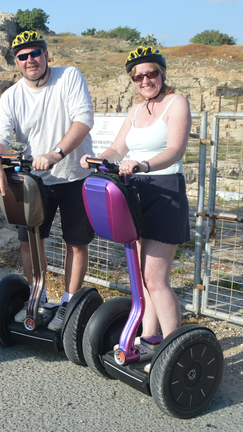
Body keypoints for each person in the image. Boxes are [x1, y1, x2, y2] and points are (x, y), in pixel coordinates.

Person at [80, 46, 191, 351]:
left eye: (151, 73)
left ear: (162, 73)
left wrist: (144, 164)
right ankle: (149, 336)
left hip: (165, 191)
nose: (145, 80)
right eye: (138, 76)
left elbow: (175, 150)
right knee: (141, 276)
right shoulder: (135, 111)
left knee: (155, 277)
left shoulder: (176, 103)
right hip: (135, 192)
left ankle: (173, 349)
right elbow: (117, 150)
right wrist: (94, 158)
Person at [0, 30, 95, 332]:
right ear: (17, 63)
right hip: (34, 180)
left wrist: (56, 153)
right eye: (23, 56)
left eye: (36, 53)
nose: (30, 60)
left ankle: (68, 302)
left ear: (47, 55)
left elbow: (84, 119)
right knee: (30, 242)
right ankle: (40, 296)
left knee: (75, 242)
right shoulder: (11, 96)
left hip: (74, 175)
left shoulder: (69, 77)